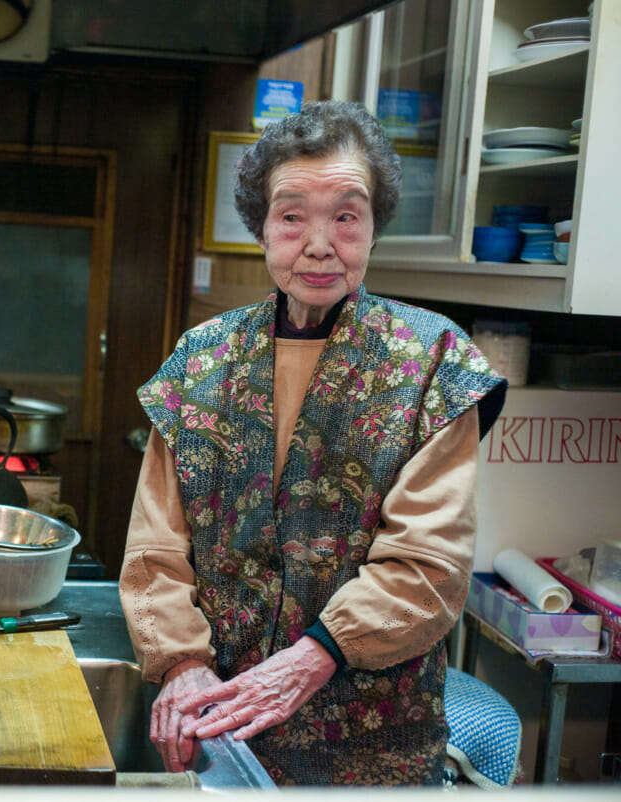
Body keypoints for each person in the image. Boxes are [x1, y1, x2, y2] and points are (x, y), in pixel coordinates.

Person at [119, 101, 507, 786]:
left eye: (346, 216)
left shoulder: (431, 363)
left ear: (373, 229)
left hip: (372, 752)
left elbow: (427, 567)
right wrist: (180, 665)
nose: (319, 244)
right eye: (293, 215)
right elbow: (155, 549)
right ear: (263, 229)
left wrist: (312, 658)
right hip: (223, 734)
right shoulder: (202, 360)